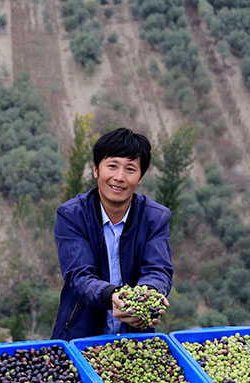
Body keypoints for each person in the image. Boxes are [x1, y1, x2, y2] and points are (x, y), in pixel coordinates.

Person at [51, 128, 173, 341]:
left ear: (140, 177)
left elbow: (158, 269)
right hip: (80, 337)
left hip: (136, 340)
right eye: (112, 166)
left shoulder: (155, 218)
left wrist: (147, 298)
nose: (119, 177)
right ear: (96, 170)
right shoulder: (72, 215)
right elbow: (79, 276)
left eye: (130, 169)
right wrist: (113, 297)